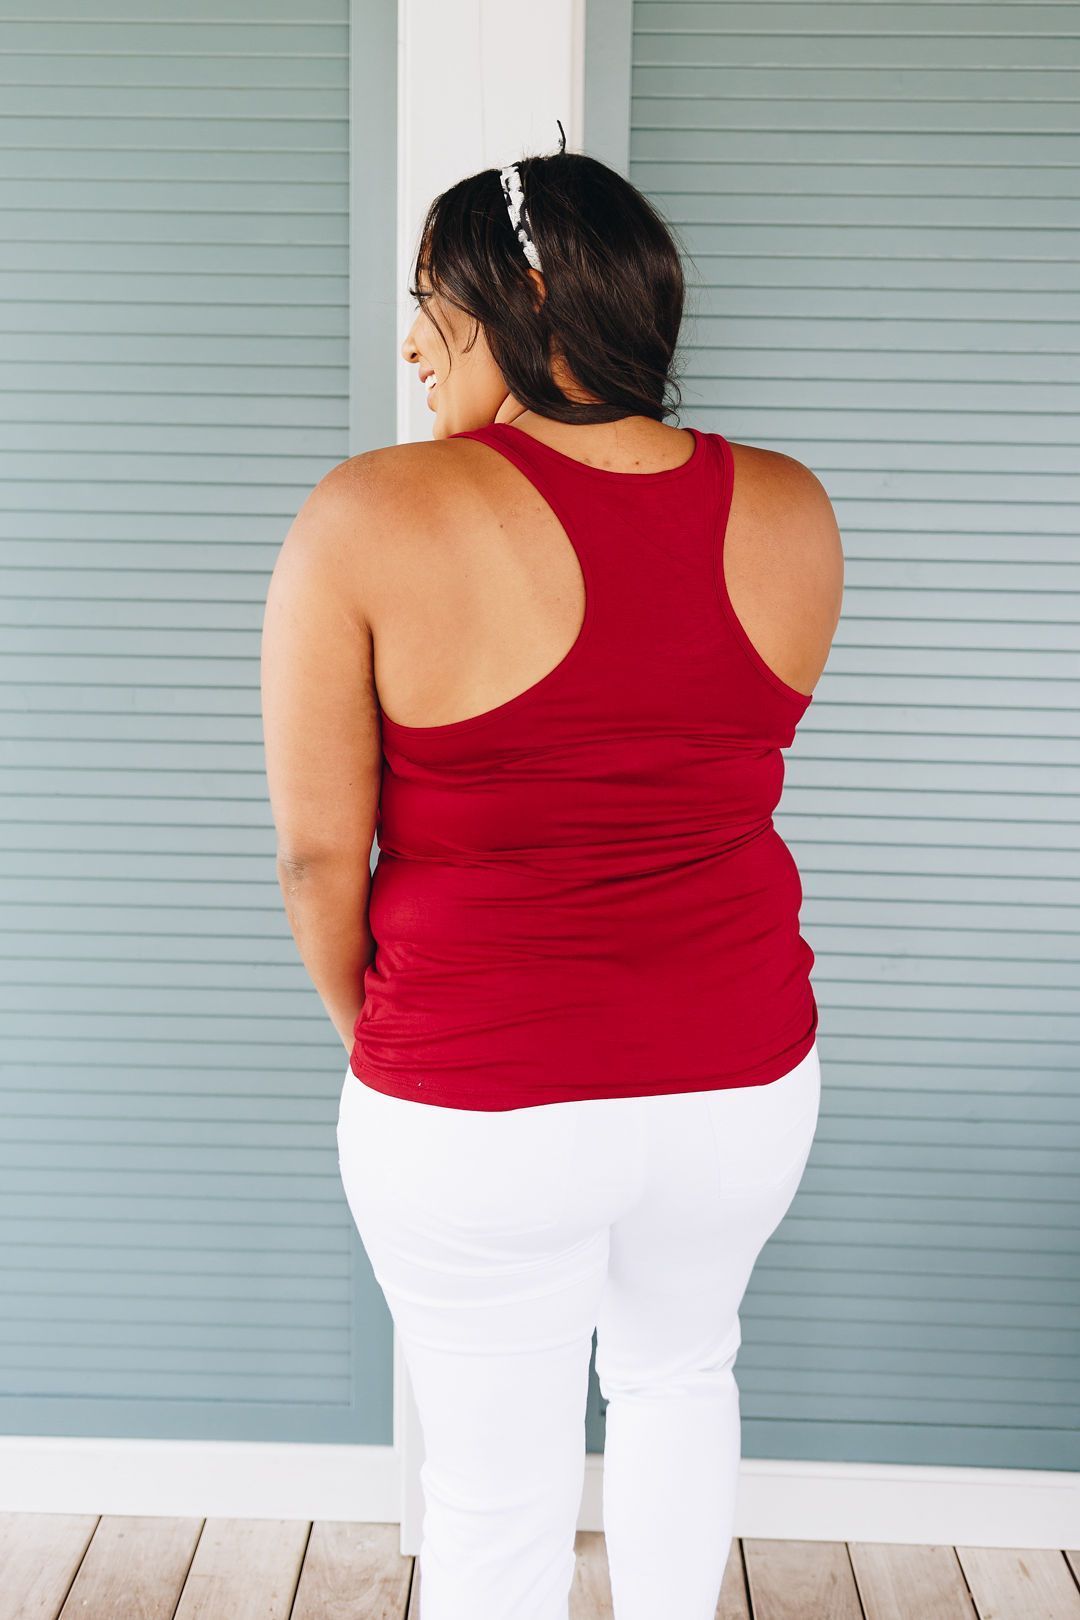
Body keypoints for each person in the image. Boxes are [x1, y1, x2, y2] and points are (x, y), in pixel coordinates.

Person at [260, 129, 844, 1620]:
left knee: (493, 1493)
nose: (410, 342)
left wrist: (380, 1044)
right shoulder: (790, 506)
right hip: (740, 1080)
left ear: (519, 297)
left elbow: (322, 852)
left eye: (429, 303)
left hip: (481, 1091)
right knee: (679, 1373)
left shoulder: (373, 513)